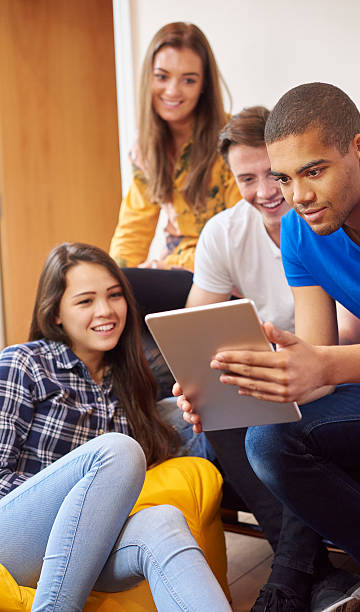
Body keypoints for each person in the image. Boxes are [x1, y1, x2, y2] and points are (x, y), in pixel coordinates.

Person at [200, 83, 360, 611]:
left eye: (313, 171)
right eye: (285, 178)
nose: (297, 196)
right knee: (268, 441)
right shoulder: (301, 231)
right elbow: (317, 355)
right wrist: (236, 382)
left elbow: (329, 362)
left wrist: (323, 365)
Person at [0, 242, 232, 612]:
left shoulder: (127, 383)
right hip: (12, 531)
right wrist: (77, 505)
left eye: (114, 295)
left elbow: (171, 433)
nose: (106, 311)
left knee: (163, 521)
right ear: (56, 313)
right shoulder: (22, 364)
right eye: (85, 301)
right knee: (118, 450)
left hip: (85, 544)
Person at [109, 21, 240, 271]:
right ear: (149, 77)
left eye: (188, 80)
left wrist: (167, 265)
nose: (172, 91)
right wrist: (114, 279)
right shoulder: (144, 148)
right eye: (161, 76)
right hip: (173, 271)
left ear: (204, 86)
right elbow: (132, 229)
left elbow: (242, 231)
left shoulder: (233, 141)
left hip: (225, 270)